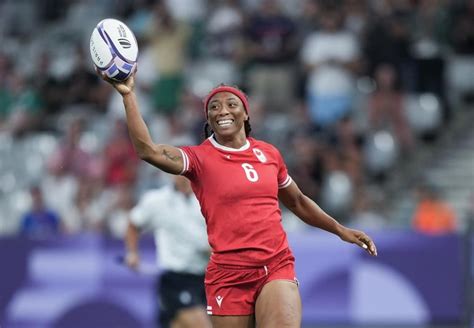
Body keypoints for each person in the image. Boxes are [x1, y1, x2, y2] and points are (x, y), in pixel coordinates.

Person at [98, 70, 377, 328]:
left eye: (231, 103)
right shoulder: (200, 158)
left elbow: (298, 202)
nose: (222, 111)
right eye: (214, 107)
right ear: (208, 119)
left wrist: (340, 230)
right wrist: (128, 95)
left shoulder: (269, 154)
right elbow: (149, 151)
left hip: (275, 263)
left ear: (245, 112)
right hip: (228, 275)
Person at [125, 174, 211, 328]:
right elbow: (133, 223)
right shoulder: (157, 200)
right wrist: (132, 253)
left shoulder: (209, 199)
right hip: (176, 280)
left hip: (207, 279)